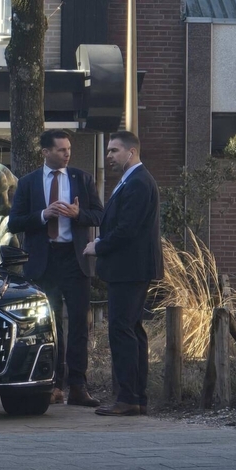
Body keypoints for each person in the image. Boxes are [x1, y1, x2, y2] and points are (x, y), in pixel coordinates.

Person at [8, 130, 104, 407]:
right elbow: (14, 223)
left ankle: (78, 386)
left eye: (69, 149)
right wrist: (42, 215)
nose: (67, 154)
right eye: (61, 149)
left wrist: (78, 215)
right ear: (45, 152)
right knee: (48, 324)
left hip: (74, 259)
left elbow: (100, 214)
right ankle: (52, 384)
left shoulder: (81, 179)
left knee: (78, 323)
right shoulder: (28, 183)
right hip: (43, 260)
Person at [84, 130, 164, 416]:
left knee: (122, 329)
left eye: (114, 151)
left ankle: (128, 397)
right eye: (107, 151)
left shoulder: (139, 182)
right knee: (132, 330)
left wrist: (99, 246)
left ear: (131, 152)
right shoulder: (131, 181)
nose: (109, 156)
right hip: (130, 268)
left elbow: (127, 229)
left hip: (129, 269)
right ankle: (136, 397)